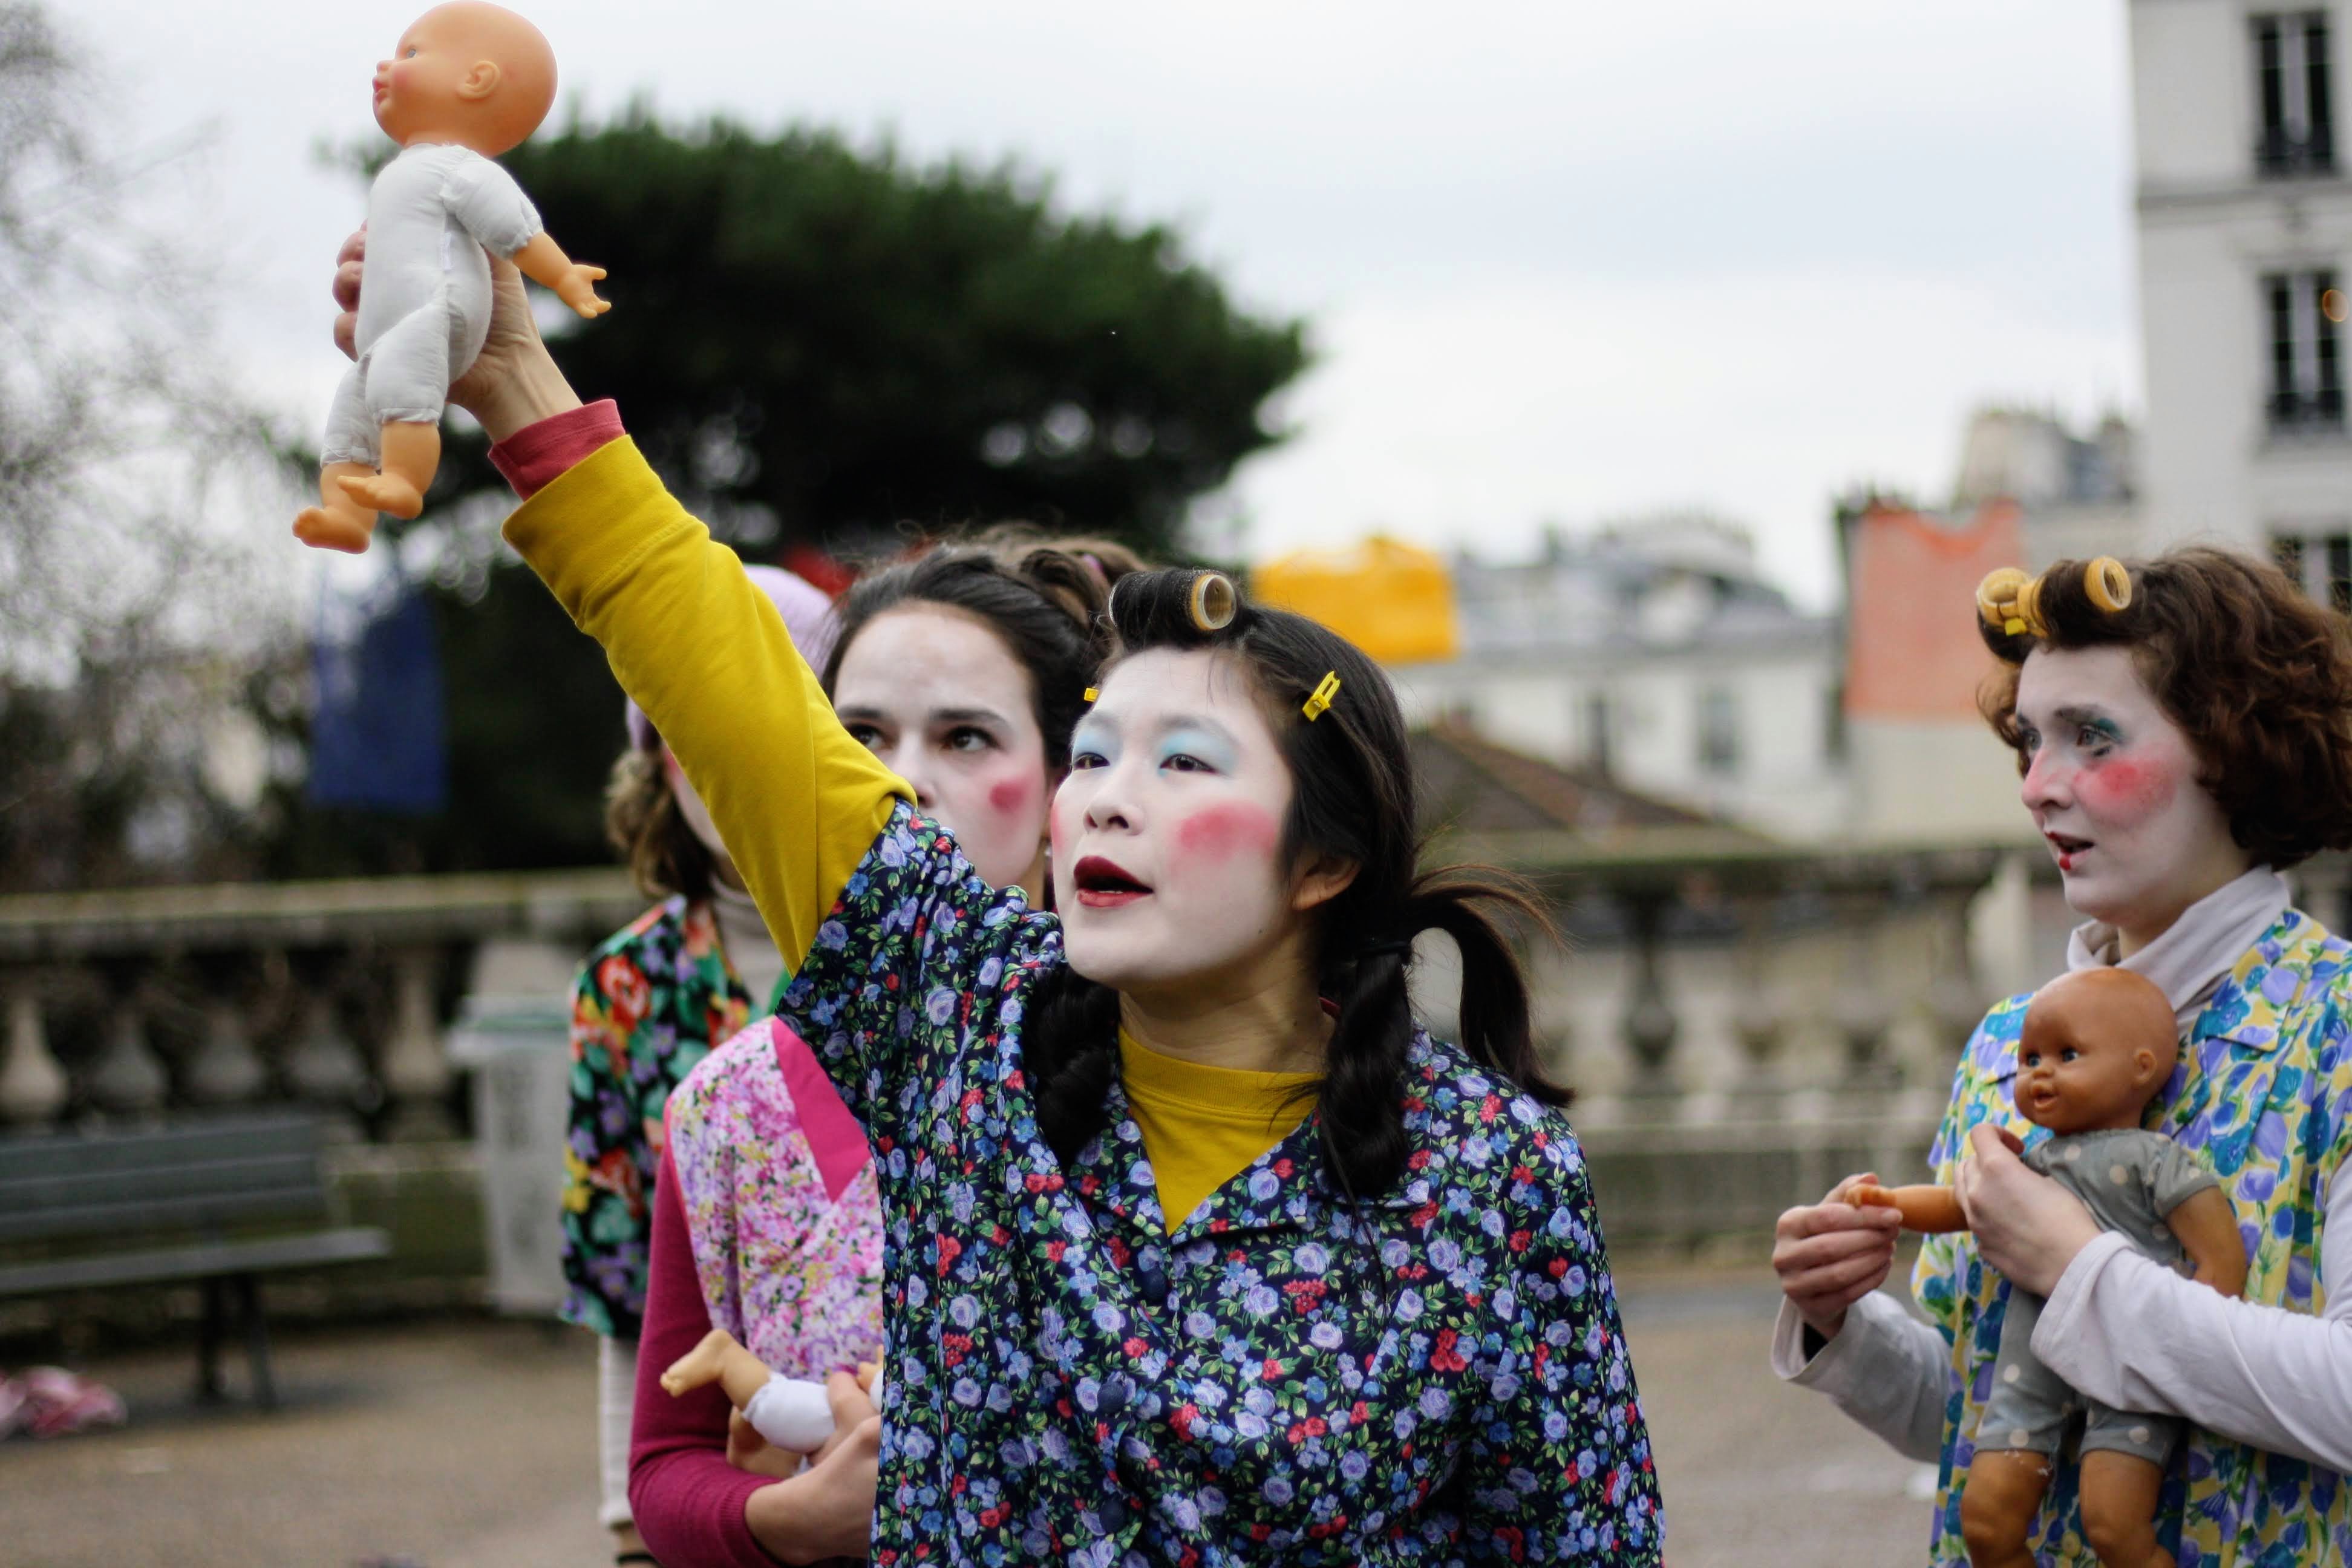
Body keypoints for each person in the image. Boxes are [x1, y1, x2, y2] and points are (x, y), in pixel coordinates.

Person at [336, 237, 1659, 1562]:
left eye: (1180, 762)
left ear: (1324, 863)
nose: (1106, 796)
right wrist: (511, 373)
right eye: (1092, 755)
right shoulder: (960, 1020)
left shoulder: (1491, 1179)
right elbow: (727, 681)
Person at [1770, 549, 2352, 1565]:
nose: (2040, 787)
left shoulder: (2342, 1029)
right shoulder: (2007, 1040)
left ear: (2232, 744)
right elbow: (1982, 1416)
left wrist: (2080, 1269)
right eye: (2030, 741)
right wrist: (1841, 1322)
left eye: (2092, 738)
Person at [633, 531, 1143, 1566]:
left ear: (1066, 782)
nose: (902, 783)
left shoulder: (1167, 1069)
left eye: (965, 738)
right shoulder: (726, 1107)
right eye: (858, 734)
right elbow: (663, 1461)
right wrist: (784, 1518)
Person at [556, 559, 839, 1568]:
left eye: (764, 715)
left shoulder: (915, 956)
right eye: (691, 726)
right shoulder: (627, 988)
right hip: (717, 1483)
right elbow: (621, 1272)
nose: (727, 754)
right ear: (655, 765)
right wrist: (625, 1513)